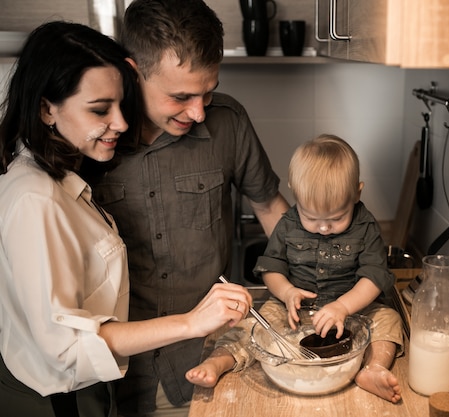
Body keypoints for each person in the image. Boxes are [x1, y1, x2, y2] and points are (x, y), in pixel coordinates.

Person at [0, 21, 253, 417]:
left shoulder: (60, 178)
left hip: (86, 394)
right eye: (100, 110)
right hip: (54, 403)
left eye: (121, 105)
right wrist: (191, 323)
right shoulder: (36, 200)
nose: (120, 123)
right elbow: (68, 348)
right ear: (47, 108)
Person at [88, 0, 290, 415]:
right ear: (132, 71)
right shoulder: (91, 140)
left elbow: (270, 206)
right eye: (180, 96)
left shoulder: (228, 121)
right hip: (112, 372)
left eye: (208, 92)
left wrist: (311, 282)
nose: (198, 112)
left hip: (206, 361)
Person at [187, 134, 405, 403]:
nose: (324, 227)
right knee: (254, 326)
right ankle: (218, 362)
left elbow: (373, 276)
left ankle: (374, 368)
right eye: (311, 218)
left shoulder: (366, 226)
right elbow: (272, 268)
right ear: (295, 196)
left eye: (337, 218)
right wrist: (288, 292)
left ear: (357, 193)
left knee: (389, 319)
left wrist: (344, 307)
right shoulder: (288, 224)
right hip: (292, 310)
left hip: (353, 309)